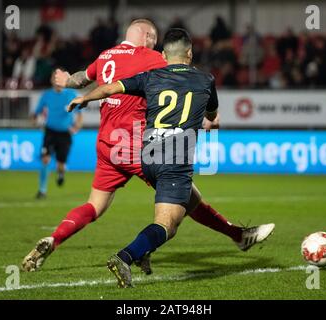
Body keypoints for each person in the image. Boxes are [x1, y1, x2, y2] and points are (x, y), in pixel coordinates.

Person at [22, 19, 274, 273]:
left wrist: (67, 82)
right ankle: (236, 236)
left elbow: (82, 79)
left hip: (107, 145)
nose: (157, 47)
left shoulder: (105, 56)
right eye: (155, 40)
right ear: (147, 37)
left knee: (94, 206)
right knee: (188, 200)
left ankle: (55, 239)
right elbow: (182, 72)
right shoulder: (151, 58)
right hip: (138, 144)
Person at [33, 71, 83, 199]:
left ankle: (61, 174)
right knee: (45, 159)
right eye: (54, 77)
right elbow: (36, 113)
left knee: (61, 165)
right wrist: (37, 123)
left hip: (65, 134)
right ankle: (42, 190)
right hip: (50, 131)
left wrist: (76, 127)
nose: (57, 80)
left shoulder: (71, 94)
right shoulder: (47, 95)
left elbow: (79, 115)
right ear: (52, 80)